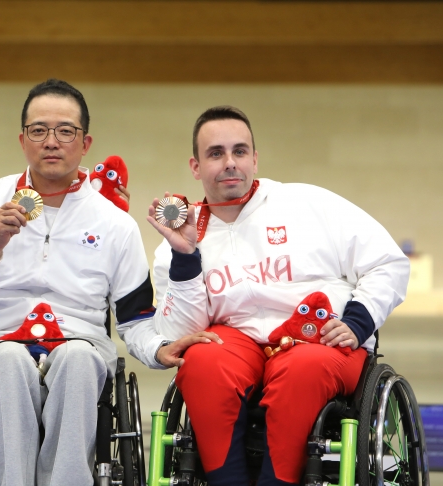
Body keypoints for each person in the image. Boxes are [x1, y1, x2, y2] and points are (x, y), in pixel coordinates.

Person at [144, 106, 409, 486]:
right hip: (236, 342)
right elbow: (179, 333)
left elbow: (389, 262)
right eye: (215, 153)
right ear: (196, 166)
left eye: (239, 151)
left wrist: (357, 321)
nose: (230, 163)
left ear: (255, 158)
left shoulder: (308, 204)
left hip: (317, 338)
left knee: (301, 370)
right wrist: (185, 256)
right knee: (200, 361)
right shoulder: (182, 234)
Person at [0, 79, 159, 486]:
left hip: (82, 347)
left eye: (65, 131)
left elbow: (135, 319)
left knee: (77, 359)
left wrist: (161, 348)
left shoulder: (115, 224)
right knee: (10, 360)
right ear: (23, 140)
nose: (51, 141)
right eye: (39, 131)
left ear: (85, 143)